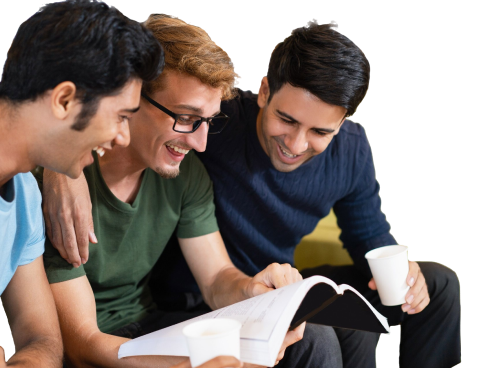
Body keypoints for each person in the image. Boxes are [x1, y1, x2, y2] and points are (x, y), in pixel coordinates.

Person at [46, 19, 461, 367]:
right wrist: (60, 160)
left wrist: (401, 271)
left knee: (438, 282)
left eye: (320, 131)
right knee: (322, 337)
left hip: (269, 283)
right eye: (286, 120)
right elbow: (124, 58)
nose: (297, 145)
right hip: (190, 298)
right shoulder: (213, 120)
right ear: (264, 93)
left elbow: (368, 235)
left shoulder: (344, 147)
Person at [35, 14, 333, 368]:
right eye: (187, 118)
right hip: (99, 347)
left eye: (207, 121)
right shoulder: (55, 186)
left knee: (312, 339)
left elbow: (217, 279)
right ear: (132, 97)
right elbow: (82, 344)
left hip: (150, 327)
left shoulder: (186, 175)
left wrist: (252, 290)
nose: (201, 143)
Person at [0, 0, 164, 368]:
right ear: (64, 99)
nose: (122, 137)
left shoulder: (26, 194)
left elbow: (43, 339)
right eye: (121, 116)